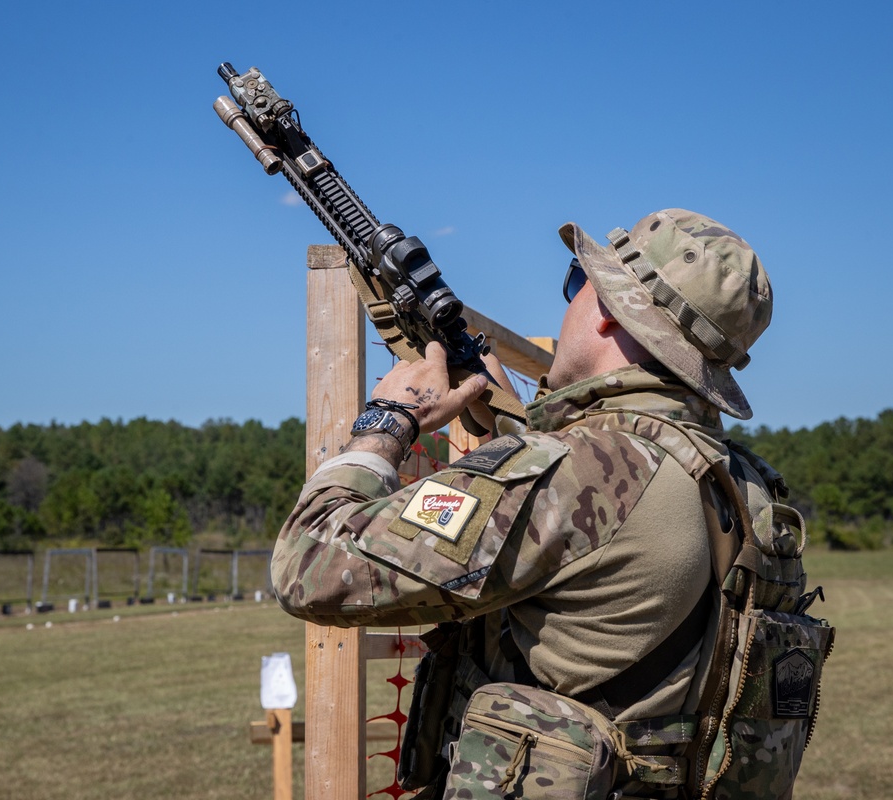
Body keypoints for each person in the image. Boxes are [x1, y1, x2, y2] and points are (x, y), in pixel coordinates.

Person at [272, 208, 794, 797]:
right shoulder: (741, 482)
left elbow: (309, 565)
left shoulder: (580, 470)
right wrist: (515, 434)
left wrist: (388, 421)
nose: (569, 300)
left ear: (607, 311)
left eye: (578, 281)